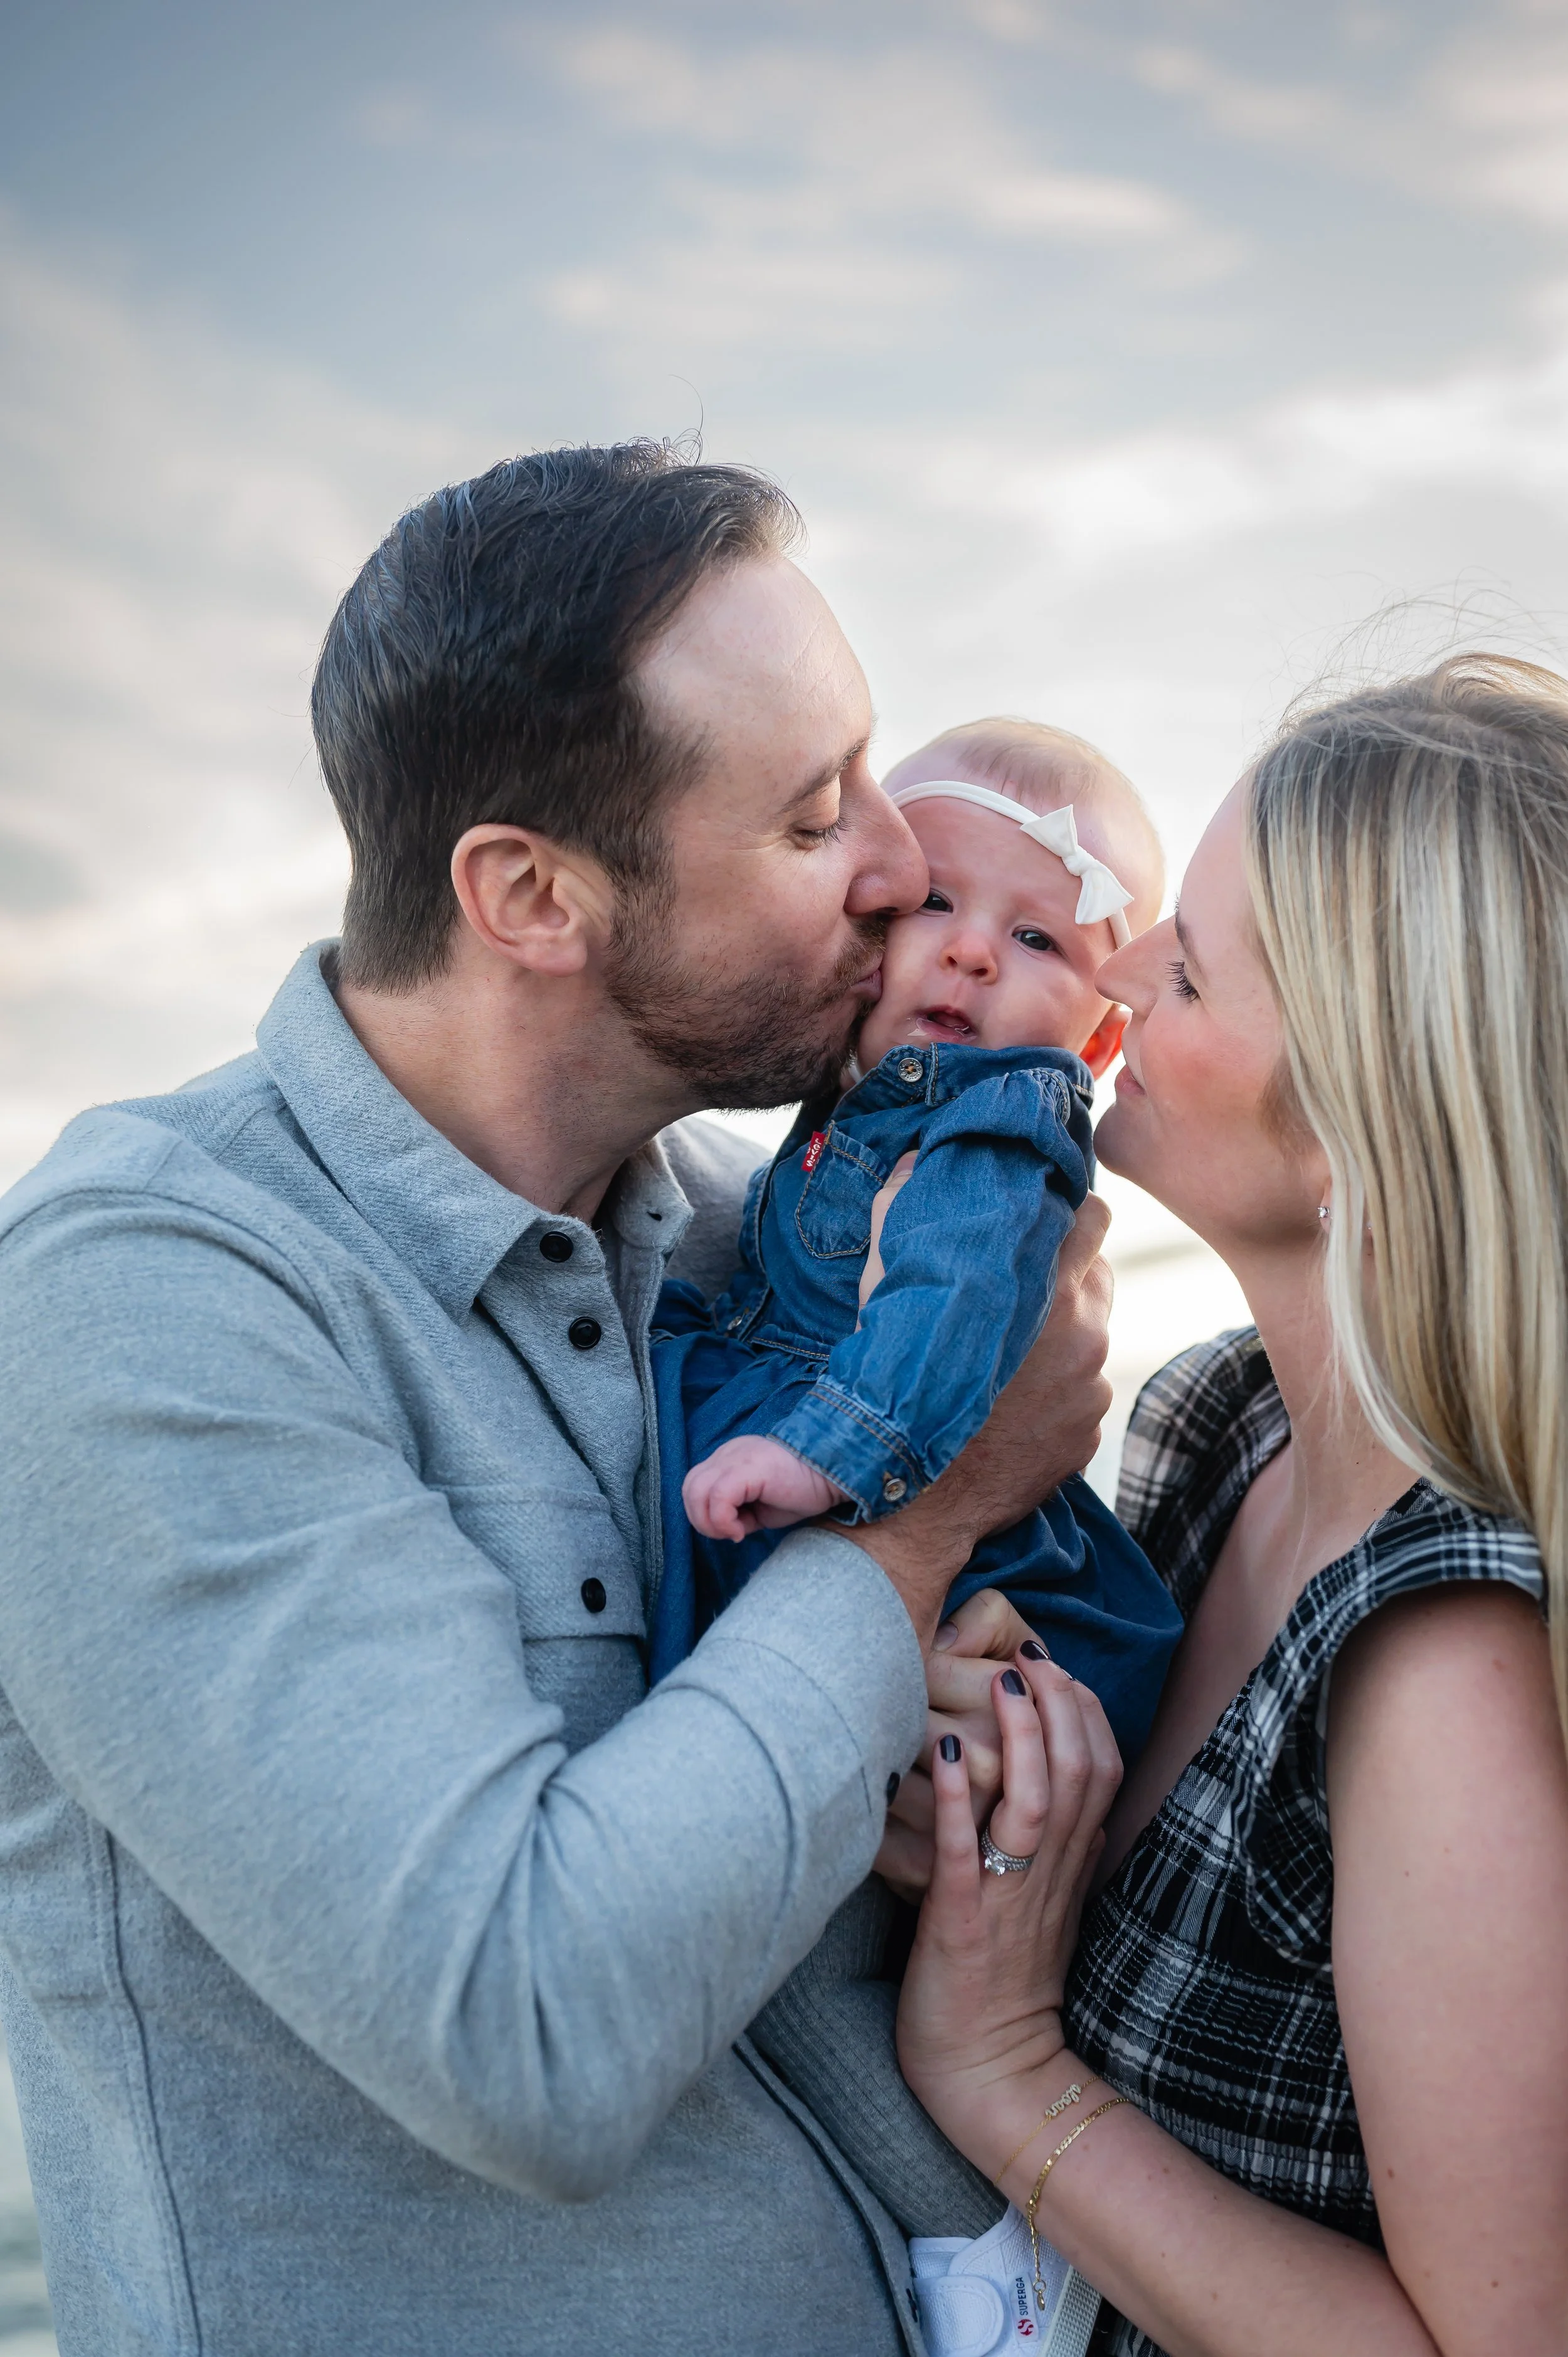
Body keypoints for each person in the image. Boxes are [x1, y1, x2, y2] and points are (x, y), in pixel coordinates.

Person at [0, 445, 1112, 2357]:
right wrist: (912, 1538)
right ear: (530, 895)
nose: (903, 866)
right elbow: (528, 2029)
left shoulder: (748, 1252)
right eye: (806, 816)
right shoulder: (146, 1301)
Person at [891, 654, 1568, 2357]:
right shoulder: (1222, 1430)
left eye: (1180, 970)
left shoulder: (1439, 1671)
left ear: (1348, 1115)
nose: (1108, 963)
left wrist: (1002, 2071)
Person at [652, 716, 1179, 1767]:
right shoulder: (865, 1093)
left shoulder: (1000, 1116)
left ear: (1102, 1036)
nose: (973, 949)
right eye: (936, 900)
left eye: (1038, 940)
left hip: (876, 1440)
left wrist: (830, 1452)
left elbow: (952, 1288)